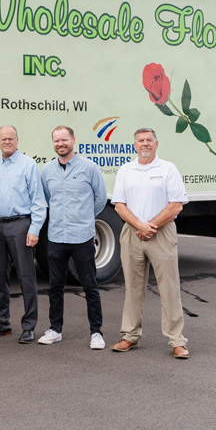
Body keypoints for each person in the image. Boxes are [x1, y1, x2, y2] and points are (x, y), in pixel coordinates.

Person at [110, 128, 191, 359]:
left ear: (156, 144)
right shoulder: (126, 170)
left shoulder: (167, 169)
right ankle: (129, 336)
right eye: (140, 141)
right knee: (133, 288)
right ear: (134, 145)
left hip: (161, 233)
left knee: (169, 288)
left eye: (149, 140)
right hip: (133, 233)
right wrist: (139, 225)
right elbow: (119, 205)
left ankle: (177, 341)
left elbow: (176, 205)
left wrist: (150, 226)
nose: (145, 144)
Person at [38, 125, 107, 350]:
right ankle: (55, 329)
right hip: (56, 237)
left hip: (82, 237)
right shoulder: (47, 171)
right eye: (56, 141)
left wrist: (84, 218)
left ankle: (96, 332)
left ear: (73, 140)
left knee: (90, 285)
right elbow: (48, 198)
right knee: (55, 286)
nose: (60, 144)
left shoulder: (89, 168)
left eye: (64, 140)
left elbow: (100, 199)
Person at [0, 125, 47, 344]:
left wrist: (34, 229)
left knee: (26, 277)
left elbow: (38, 201)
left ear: (17, 140)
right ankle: (2, 323)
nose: (7, 142)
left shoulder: (28, 165)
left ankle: (29, 326)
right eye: (3, 139)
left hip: (21, 225)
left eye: (11, 138)